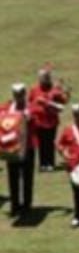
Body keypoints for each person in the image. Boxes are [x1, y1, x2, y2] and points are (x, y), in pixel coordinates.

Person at [2, 84, 37, 217]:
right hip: (11, 147)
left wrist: (27, 118)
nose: (18, 97)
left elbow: (34, 120)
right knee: (13, 177)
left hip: (28, 147)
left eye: (20, 94)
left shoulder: (30, 107)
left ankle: (27, 205)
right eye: (16, 94)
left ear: (24, 94)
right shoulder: (7, 107)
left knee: (27, 177)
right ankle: (15, 205)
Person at [28, 66, 68, 172]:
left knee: (49, 142)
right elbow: (29, 102)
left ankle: (50, 163)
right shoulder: (34, 90)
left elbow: (63, 103)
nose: (43, 80)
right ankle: (43, 164)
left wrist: (63, 93)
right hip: (38, 121)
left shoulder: (54, 90)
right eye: (41, 78)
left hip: (51, 121)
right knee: (41, 143)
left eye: (45, 77)